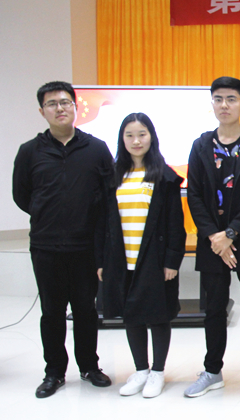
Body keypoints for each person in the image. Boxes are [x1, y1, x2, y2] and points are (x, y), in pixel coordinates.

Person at [13, 81, 114, 398]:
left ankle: (89, 367)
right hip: (46, 246)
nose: (60, 108)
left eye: (65, 102)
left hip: (85, 247)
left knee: (86, 310)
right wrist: (48, 215)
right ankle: (54, 372)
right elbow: (22, 195)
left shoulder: (96, 149)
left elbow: (108, 195)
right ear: (42, 111)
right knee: (52, 312)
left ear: (75, 106)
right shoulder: (30, 151)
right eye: (52, 103)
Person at [185, 77, 240, 399]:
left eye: (231, 99)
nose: (225, 105)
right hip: (212, 242)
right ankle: (212, 371)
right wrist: (215, 236)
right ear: (212, 103)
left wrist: (231, 234)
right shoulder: (200, 145)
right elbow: (194, 195)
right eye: (219, 99)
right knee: (213, 309)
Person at [99, 113, 186, 398]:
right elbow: (102, 223)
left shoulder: (164, 176)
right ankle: (141, 370)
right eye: (130, 135)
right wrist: (101, 261)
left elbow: (175, 224)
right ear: (122, 140)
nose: (136, 141)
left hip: (154, 259)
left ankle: (157, 372)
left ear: (152, 137)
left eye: (142, 134)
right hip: (122, 259)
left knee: (158, 316)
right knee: (131, 316)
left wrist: (172, 261)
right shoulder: (113, 176)